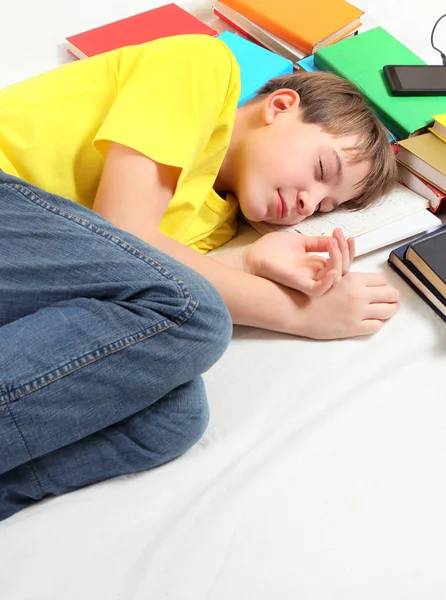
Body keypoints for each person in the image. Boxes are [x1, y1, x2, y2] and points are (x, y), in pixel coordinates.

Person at [0, 34, 400, 520]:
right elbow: (127, 231)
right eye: (320, 169)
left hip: (28, 264)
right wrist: (301, 312)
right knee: (199, 317)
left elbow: (132, 283)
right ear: (281, 105)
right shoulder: (202, 67)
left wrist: (250, 260)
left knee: (172, 417)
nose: (307, 204)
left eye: (323, 207)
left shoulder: (217, 224)